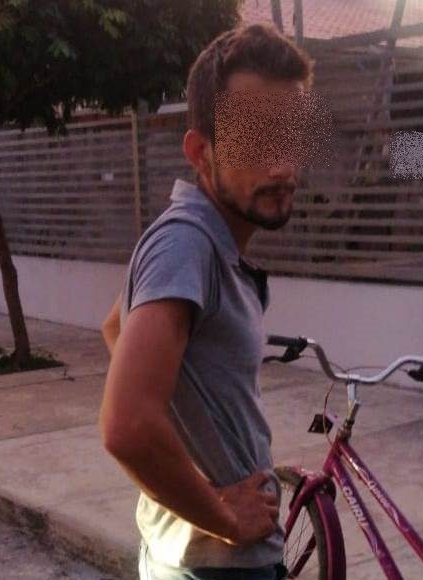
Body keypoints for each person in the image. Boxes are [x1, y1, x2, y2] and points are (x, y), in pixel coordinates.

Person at [98, 22, 313, 580]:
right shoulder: (187, 244)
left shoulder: (203, 243)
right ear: (200, 152)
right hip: (218, 568)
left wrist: (194, 440)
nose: (282, 166)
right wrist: (224, 517)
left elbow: (115, 327)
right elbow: (126, 426)